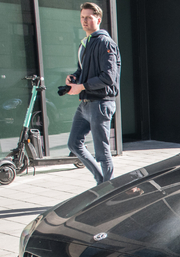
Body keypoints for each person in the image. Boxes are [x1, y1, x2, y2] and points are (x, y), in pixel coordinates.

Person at [66, 2, 121, 184]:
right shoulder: (85, 44)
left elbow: (108, 77)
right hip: (86, 103)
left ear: (98, 19)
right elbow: (83, 71)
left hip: (101, 103)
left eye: (89, 17)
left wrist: (81, 87)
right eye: (82, 17)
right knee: (74, 143)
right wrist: (74, 78)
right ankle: (101, 182)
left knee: (102, 151)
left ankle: (109, 188)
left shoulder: (105, 43)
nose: (85, 21)